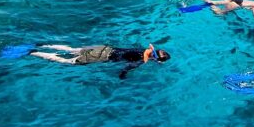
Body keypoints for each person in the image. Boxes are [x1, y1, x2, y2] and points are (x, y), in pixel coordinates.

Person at [29, 43, 169, 78]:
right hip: (101, 57)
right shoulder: (141, 61)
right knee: (67, 61)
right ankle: (35, 53)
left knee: (71, 49)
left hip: (104, 48)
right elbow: (124, 70)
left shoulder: (142, 49)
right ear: (157, 60)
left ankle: (42, 45)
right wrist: (123, 78)